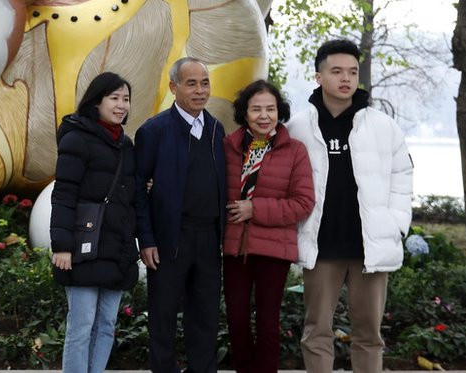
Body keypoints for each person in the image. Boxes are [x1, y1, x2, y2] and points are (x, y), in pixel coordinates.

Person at [286, 39, 413, 373]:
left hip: (368, 249)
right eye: (337, 71)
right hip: (321, 247)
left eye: (352, 72)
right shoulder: (298, 127)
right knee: (316, 332)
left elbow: (402, 175)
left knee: (369, 335)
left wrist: (396, 223)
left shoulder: (382, 126)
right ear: (318, 76)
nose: (346, 78)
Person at [135, 57, 226, 373]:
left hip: (209, 238)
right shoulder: (154, 130)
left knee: (205, 318)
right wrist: (146, 238)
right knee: (163, 318)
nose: (200, 90)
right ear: (173, 87)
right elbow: (137, 190)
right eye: (191, 83)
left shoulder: (216, 129)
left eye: (204, 83)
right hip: (168, 239)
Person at [222, 79, 315, 373]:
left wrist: (255, 208)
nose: (264, 116)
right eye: (256, 109)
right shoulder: (229, 146)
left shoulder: (294, 150)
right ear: (244, 113)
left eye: (271, 109)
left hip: (274, 250)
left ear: (280, 112)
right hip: (235, 247)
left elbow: (303, 202)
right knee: (236, 320)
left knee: (266, 322)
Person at [50, 72, 138, 373]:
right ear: (96, 101)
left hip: (115, 248)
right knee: (82, 324)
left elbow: (130, 197)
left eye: (125, 99)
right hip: (82, 246)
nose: (121, 105)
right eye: (114, 98)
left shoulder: (125, 145)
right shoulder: (77, 138)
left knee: (107, 324)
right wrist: (62, 245)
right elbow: (63, 193)